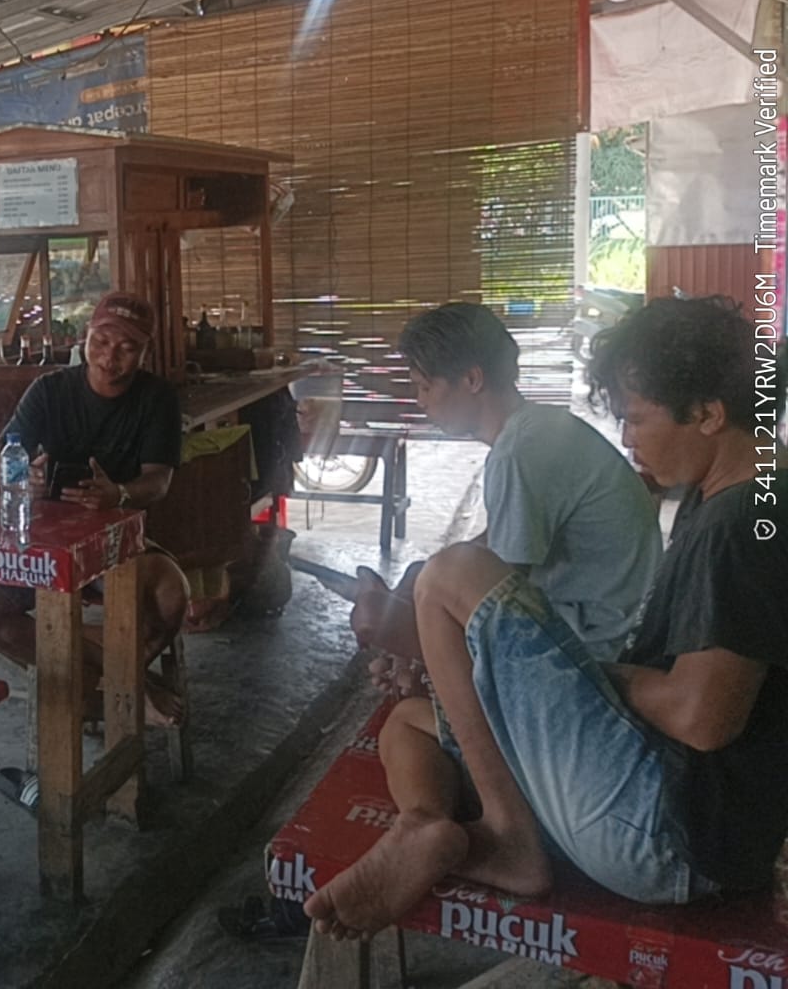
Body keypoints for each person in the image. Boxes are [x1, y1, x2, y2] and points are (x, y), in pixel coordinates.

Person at [305, 295, 788, 939]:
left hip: (667, 836)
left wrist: (568, 671)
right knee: (409, 722)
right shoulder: (736, 499)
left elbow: (703, 716)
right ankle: (425, 823)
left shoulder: (744, 524)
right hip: (674, 817)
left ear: (708, 414)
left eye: (636, 419)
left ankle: (511, 839)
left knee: (450, 574)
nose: (627, 439)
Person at [351, 303, 661, 694]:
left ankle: (432, 687)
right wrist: (419, 581)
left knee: (384, 624)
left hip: (596, 646)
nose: (420, 401)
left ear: (472, 379)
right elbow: (494, 545)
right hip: (612, 619)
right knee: (422, 576)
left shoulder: (517, 453)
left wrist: (410, 630)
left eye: (425, 386)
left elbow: (499, 587)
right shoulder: (541, 427)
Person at [0, 290, 190, 735]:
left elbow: (158, 481)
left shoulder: (157, 398)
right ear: (86, 336)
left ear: (144, 352)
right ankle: (121, 687)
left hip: (117, 539)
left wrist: (118, 494)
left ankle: (98, 691)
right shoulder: (50, 390)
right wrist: (22, 480)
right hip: (43, 540)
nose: (109, 356)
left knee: (170, 595)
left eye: (126, 347)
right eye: (101, 341)